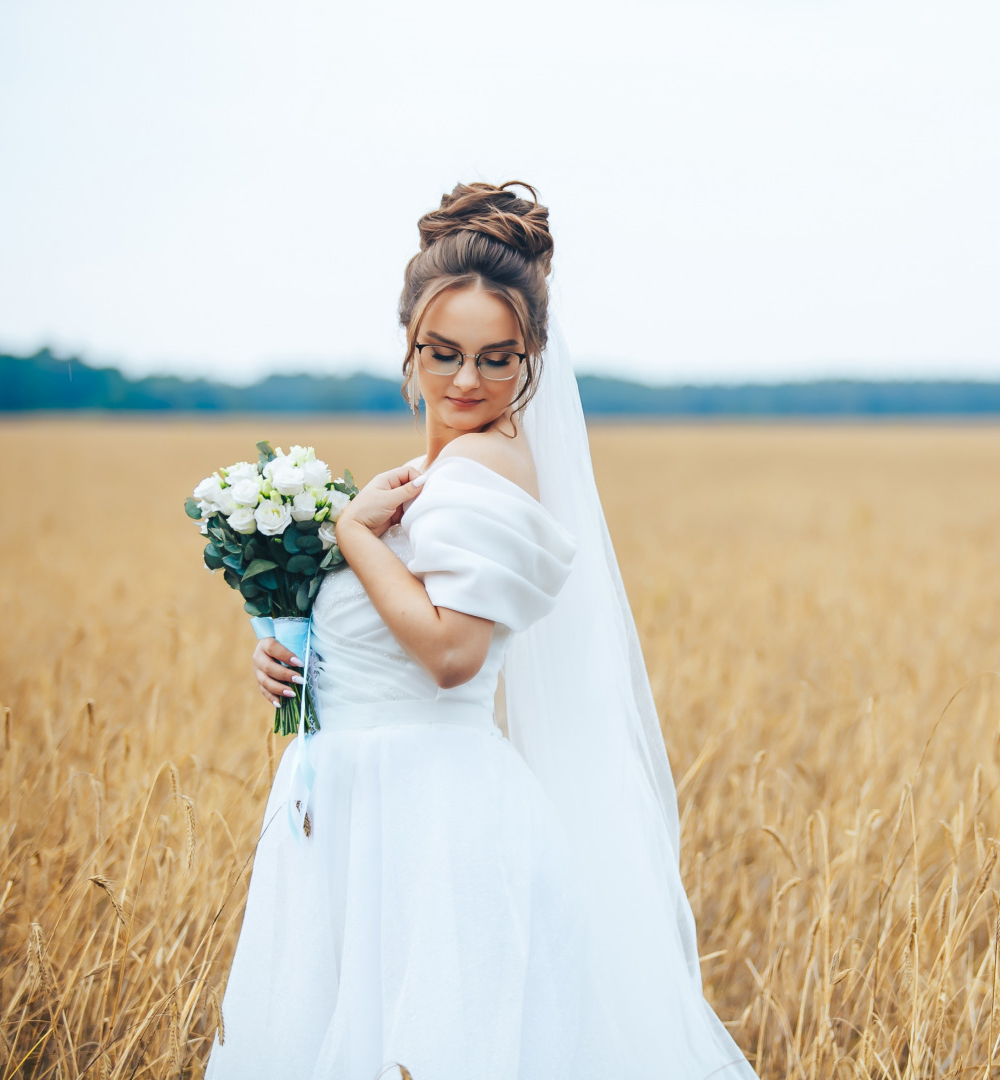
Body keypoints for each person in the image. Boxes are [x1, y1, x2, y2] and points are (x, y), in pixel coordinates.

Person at [205, 182, 757, 1080]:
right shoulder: (423, 473)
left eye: (498, 360)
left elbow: (454, 655)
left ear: (532, 356)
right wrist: (297, 660)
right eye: (444, 354)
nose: (468, 382)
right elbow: (388, 629)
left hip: (428, 820)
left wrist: (347, 533)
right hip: (355, 809)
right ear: (410, 346)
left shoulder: (482, 464)